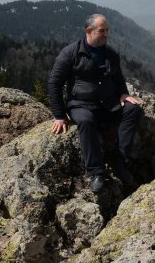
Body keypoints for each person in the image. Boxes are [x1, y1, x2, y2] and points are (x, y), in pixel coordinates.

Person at [48, 14, 143, 192]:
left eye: (107, 30)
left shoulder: (111, 54)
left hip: (108, 104)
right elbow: (54, 83)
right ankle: (97, 172)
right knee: (85, 121)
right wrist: (59, 115)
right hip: (80, 104)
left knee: (134, 110)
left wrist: (124, 93)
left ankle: (119, 158)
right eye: (102, 31)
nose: (106, 34)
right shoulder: (71, 53)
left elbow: (117, 77)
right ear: (88, 31)